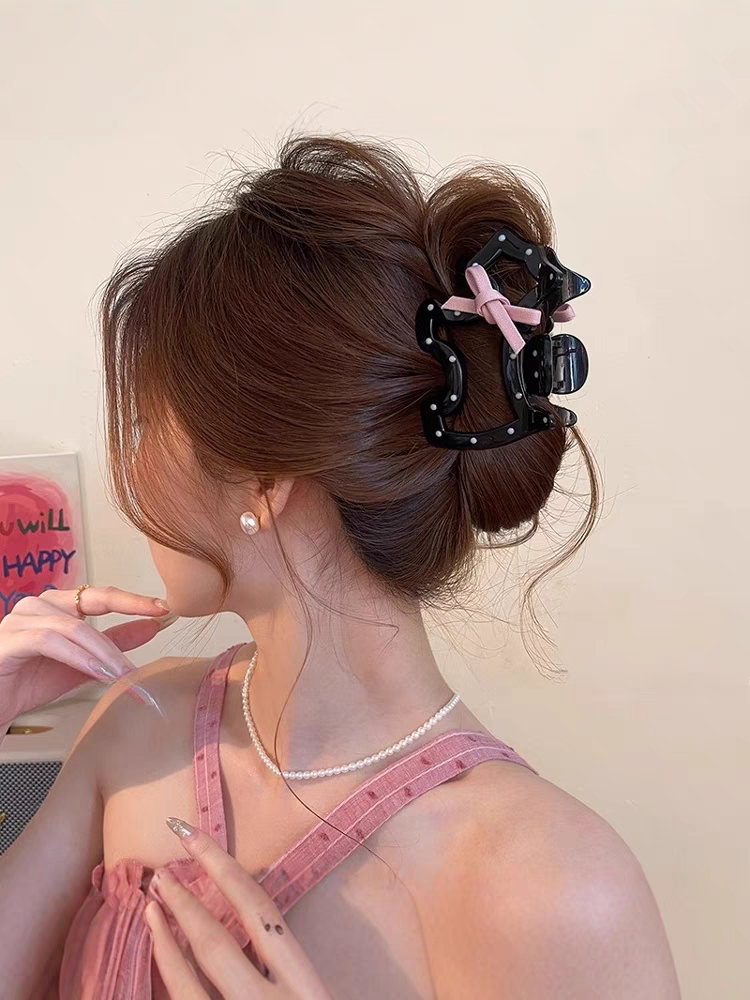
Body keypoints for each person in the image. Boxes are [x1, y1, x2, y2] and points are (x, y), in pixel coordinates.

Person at [0, 134, 681, 999]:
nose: (129, 468)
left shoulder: (551, 888)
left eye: (146, 424)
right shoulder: (136, 729)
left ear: (265, 476)